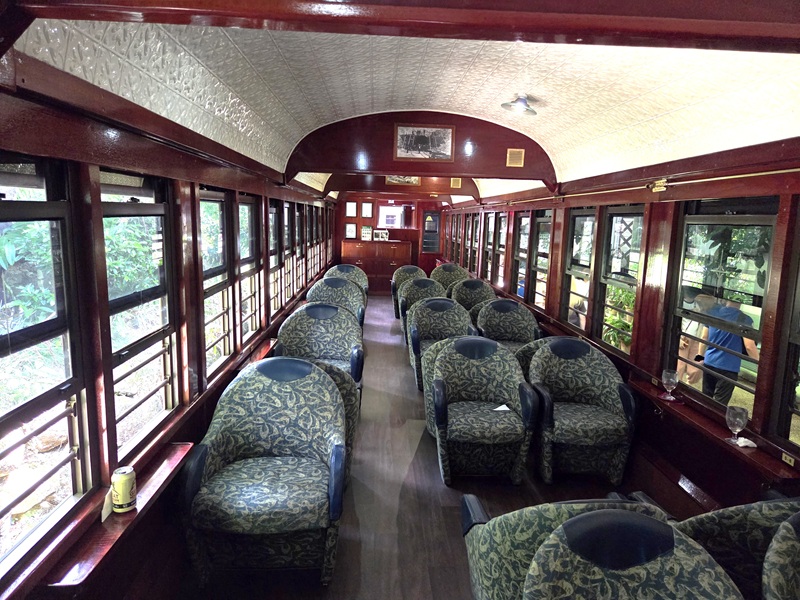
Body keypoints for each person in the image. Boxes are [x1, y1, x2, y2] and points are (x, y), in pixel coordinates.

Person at [687, 295, 760, 405]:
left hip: (709, 362)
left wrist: (700, 357)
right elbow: (749, 346)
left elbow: (704, 337)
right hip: (728, 367)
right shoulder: (744, 319)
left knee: (706, 399)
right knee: (719, 405)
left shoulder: (713, 313)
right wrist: (760, 365)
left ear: (726, 300)